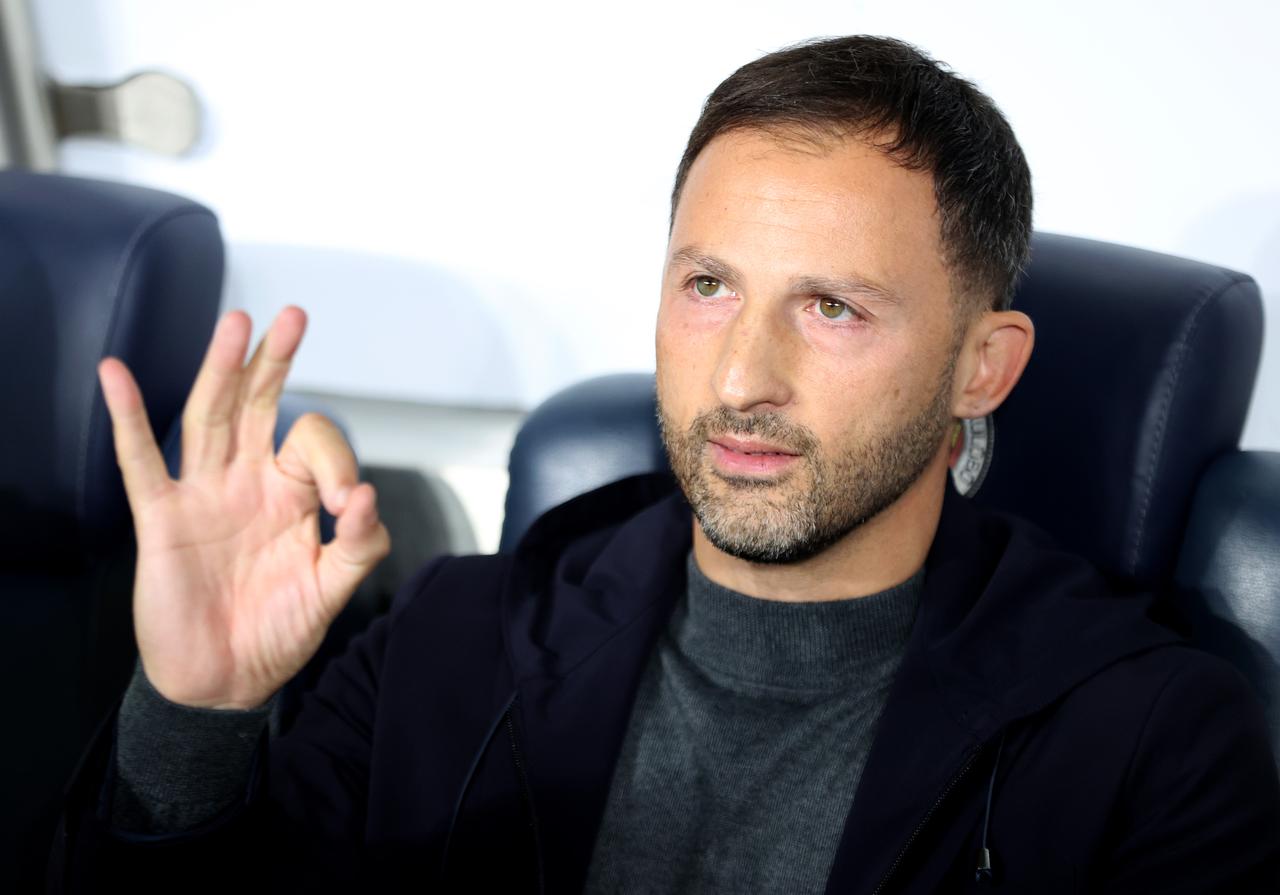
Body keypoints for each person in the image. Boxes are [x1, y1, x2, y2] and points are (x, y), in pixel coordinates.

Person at [52, 35, 1278, 894]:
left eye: (832, 308)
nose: (740, 377)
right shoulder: (448, 641)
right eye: (707, 286)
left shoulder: (1144, 744)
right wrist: (195, 712)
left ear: (980, 366)